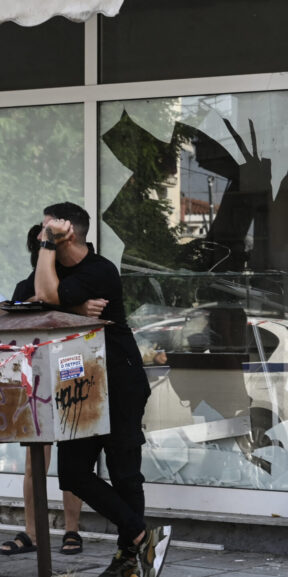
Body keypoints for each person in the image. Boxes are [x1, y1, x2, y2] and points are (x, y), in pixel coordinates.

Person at [32, 202, 171, 577]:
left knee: (125, 473)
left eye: (48, 230)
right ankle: (141, 534)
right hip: (80, 384)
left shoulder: (100, 270)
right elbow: (32, 302)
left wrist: (60, 300)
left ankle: (129, 559)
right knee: (73, 473)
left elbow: (46, 300)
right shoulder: (53, 269)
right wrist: (75, 305)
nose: (41, 236)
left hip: (120, 381)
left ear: (68, 233)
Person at [1, 224, 87, 557]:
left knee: (73, 458)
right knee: (34, 459)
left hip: (73, 375)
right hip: (36, 381)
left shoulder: (77, 282)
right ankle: (33, 532)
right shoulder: (26, 285)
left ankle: (72, 529)